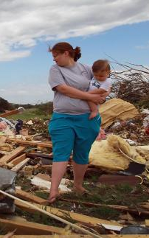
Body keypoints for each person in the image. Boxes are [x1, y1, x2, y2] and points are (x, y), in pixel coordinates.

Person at [47, 42, 106, 203]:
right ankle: (53, 191)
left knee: (82, 153)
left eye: (56, 56)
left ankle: (78, 186)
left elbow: (100, 83)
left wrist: (100, 95)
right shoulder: (55, 70)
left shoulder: (86, 69)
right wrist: (90, 97)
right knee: (61, 153)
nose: (54, 60)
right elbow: (63, 89)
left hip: (87, 119)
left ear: (66, 53)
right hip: (63, 118)